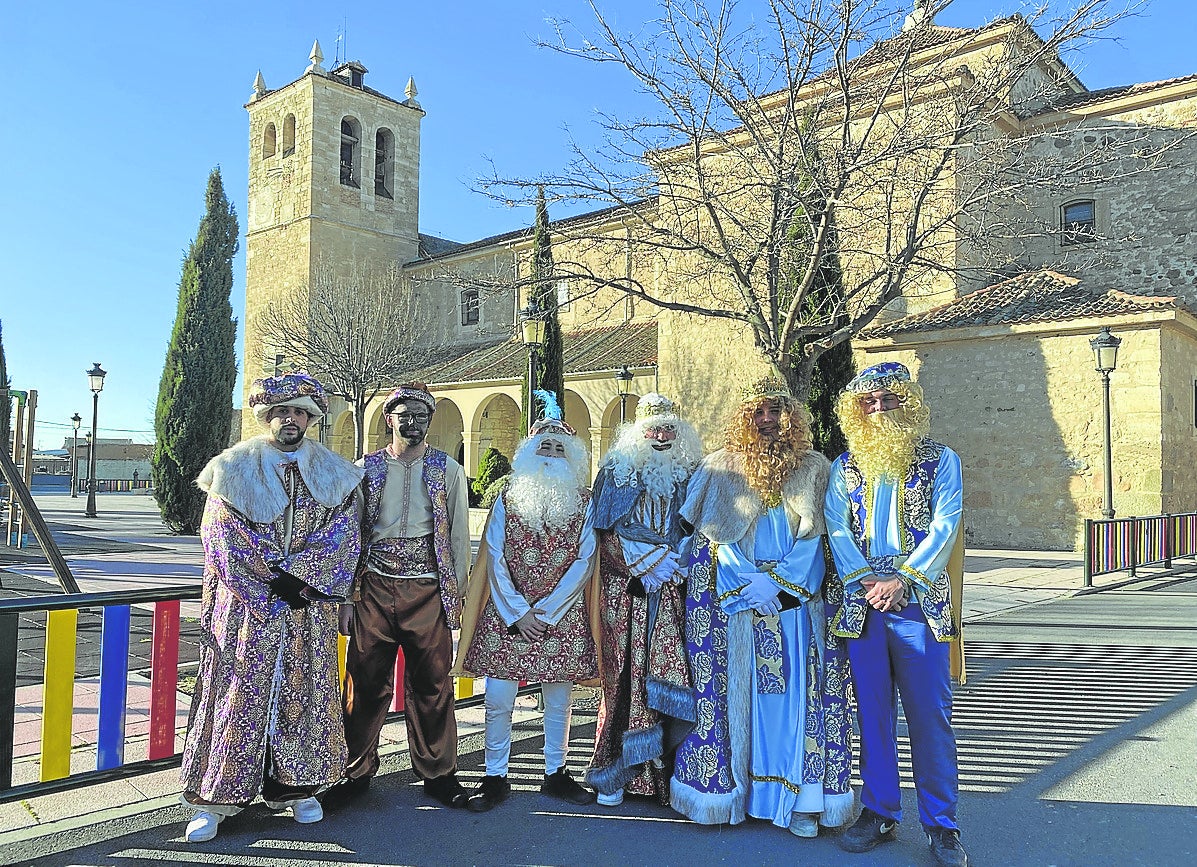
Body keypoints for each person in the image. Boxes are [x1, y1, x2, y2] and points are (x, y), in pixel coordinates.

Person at [180, 371, 363, 843]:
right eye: (282, 412)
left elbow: (345, 533)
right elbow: (220, 533)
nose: (290, 419)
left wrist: (301, 578)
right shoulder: (232, 467)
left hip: (306, 606)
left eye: (299, 412)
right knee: (237, 695)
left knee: (304, 695)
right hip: (247, 609)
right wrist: (270, 580)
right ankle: (216, 799)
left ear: (311, 418)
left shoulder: (335, 471)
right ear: (266, 417)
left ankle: (298, 788)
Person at [670, 375, 854, 837]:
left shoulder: (815, 468)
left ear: (791, 417)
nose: (768, 420)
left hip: (793, 606)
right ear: (744, 418)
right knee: (741, 701)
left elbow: (821, 539)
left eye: (777, 411)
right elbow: (711, 540)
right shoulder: (718, 469)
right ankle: (743, 795)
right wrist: (744, 583)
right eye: (759, 412)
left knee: (796, 702)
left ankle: (801, 802)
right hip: (738, 607)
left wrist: (779, 583)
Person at [825, 361, 967, 866]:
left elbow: (946, 524)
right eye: (869, 402)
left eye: (889, 399)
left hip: (918, 606)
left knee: (930, 717)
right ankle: (879, 808)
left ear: (908, 402)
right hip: (864, 605)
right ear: (857, 411)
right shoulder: (845, 468)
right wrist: (869, 581)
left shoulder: (941, 459)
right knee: (872, 714)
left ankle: (942, 824)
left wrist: (903, 579)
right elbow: (836, 530)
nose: (880, 409)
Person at [324, 382, 473, 810]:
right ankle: (353, 771)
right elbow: (347, 536)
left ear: (430, 420)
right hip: (373, 588)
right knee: (364, 683)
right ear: (388, 419)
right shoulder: (364, 469)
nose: (411, 423)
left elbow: (459, 535)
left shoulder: (448, 469)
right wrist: (347, 599)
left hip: (428, 588)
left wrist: (455, 595)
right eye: (403, 415)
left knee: (432, 685)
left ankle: (439, 772)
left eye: (420, 416)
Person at [454, 397, 599, 812]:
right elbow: (493, 555)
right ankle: (495, 774)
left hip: (561, 615)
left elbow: (585, 560)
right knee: (498, 697)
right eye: (544, 447)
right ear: (529, 453)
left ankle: (556, 773)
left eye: (559, 449)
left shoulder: (584, 502)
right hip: (508, 614)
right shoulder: (506, 498)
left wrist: (548, 611)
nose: (551, 454)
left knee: (559, 698)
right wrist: (519, 612)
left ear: (570, 457)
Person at [585, 393, 700, 806]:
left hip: (671, 592)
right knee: (622, 682)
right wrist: (647, 564)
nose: (662, 435)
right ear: (638, 432)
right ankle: (615, 773)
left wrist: (675, 562)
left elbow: (697, 530)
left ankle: (662, 775)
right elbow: (603, 535)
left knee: (668, 678)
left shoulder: (689, 473)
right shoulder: (615, 471)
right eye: (655, 428)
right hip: (626, 593)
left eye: (670, 428)